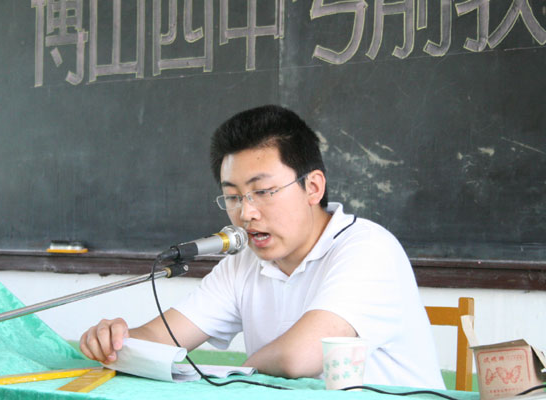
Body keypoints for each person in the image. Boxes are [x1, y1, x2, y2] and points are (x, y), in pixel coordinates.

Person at [80, 105, 445, 388]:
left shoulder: (368, 249)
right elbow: (161, 338)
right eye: (233, 197)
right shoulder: (243, 264)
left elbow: (299, 357)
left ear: (313, 187)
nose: (246, 213)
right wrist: (117, 341)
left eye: (264, 191)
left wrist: (237, 375)